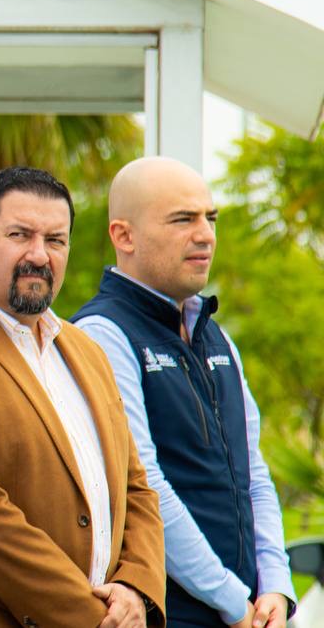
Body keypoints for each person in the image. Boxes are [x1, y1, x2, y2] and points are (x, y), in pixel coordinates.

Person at [0, 166, 166, 628]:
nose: (39, 255)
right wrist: (92, 617)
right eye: (20, 235)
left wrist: (136, 588)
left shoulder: (86, 349)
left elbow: (136, 486)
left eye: (56, 240)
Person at [73, 156, 295, 628]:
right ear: (124, 236)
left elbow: (253, 472)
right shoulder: (101, 334)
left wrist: (276, 585)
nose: (205, 235)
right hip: (169, 613)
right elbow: (146, 484)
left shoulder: (216, 336)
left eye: (210, 218)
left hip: (247, 610)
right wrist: (232, 600)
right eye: (183, 220)